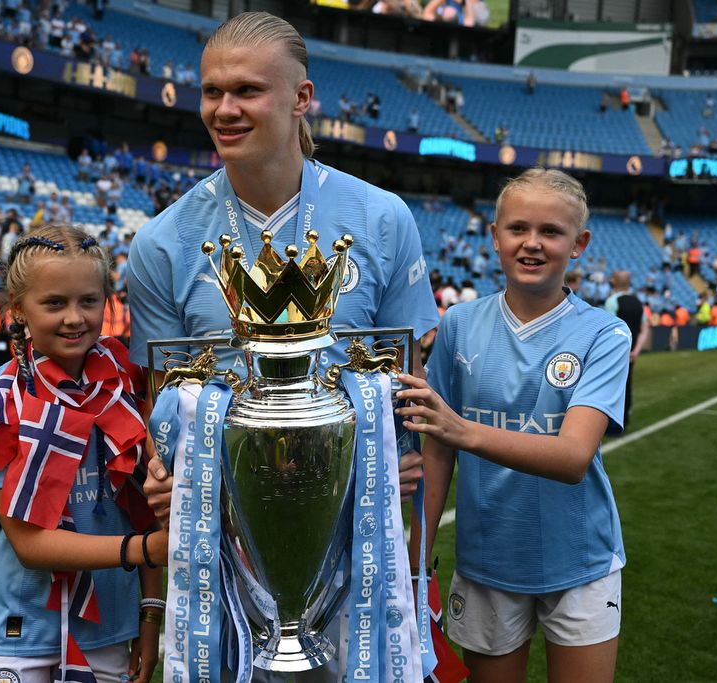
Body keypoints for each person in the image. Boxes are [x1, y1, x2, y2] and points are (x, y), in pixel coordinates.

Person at [129, 13, 439, 680]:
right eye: (212, 91)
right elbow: (159, 410)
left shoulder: (382, 220)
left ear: (301, 98)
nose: (224, 108)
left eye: (247, 90)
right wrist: (158, 465)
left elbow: (410, 384)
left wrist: (405, 454)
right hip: (220, 545)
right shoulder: (162, 243)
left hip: (357, 537)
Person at [399, 168, 630, 683]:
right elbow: (437, 451)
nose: (532, 243)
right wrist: (416, 555)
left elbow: (572, 458)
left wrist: (464, 430)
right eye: (518, 228)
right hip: (487, 562)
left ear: (579, 244)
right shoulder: (459, 324)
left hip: (581, 560)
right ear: (495, 236)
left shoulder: (605, 332)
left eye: (551, 232)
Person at [0, 224, 163, 683]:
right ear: (17, 309)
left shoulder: (127, 384)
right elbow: (30, 545)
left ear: (107, 303)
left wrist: (151, 612)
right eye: (53, 303)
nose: (74, 317)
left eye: (88, 300)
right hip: (18, 627)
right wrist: (148, 550)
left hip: (109, 624)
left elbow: (144, 507)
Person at [605, 270, 649, 429]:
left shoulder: (612, 301)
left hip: (616, 352)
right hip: (631, 353)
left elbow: (610, 330)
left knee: (612, 386)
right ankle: (624, 420)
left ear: (614, 281)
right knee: (627, 383)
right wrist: (636, 350)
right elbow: (644, 329)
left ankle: (612, 422)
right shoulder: (638, 302)